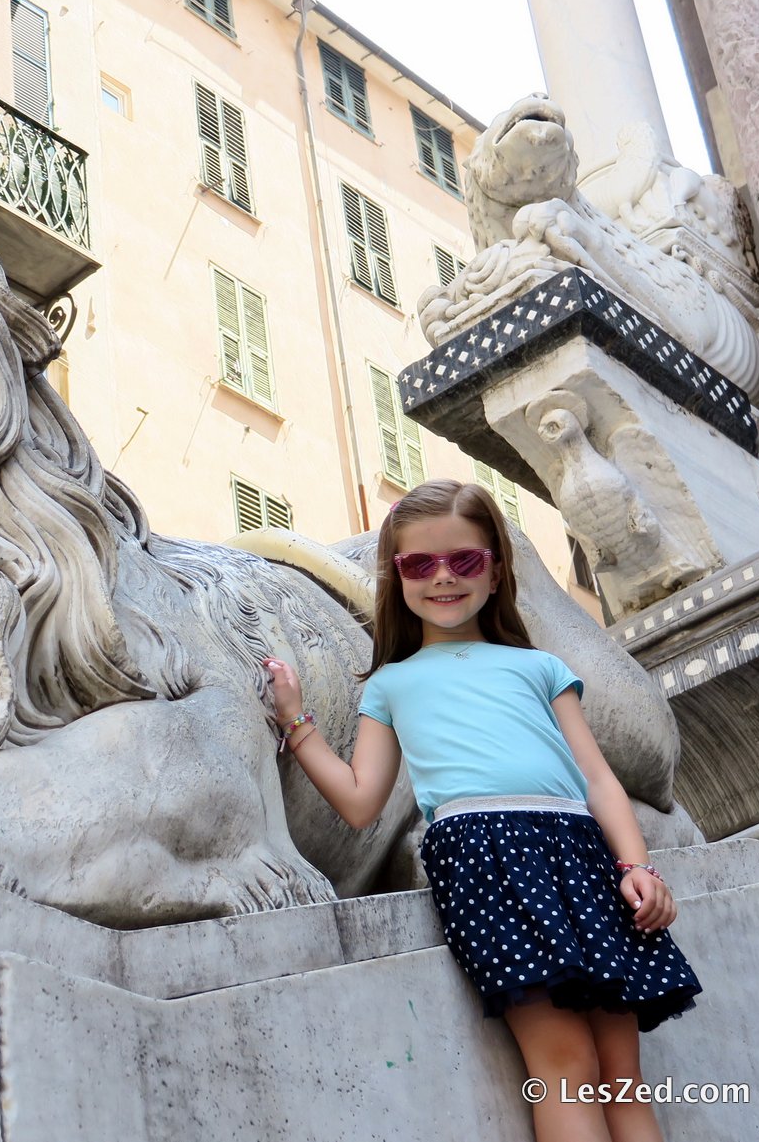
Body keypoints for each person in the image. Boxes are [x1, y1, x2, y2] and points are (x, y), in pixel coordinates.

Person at [264, 479, 699, 1142]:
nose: (443, 576)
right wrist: (297, 722)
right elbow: (359, 802)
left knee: (622, 1074)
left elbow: (599, 780)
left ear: (496, 568)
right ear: (396, 575)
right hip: (485, 857)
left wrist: (637, 865)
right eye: (420, 564)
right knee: (564, 1064)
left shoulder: (540, 667)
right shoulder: (392, 682)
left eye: (464, 560)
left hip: (584, 856)